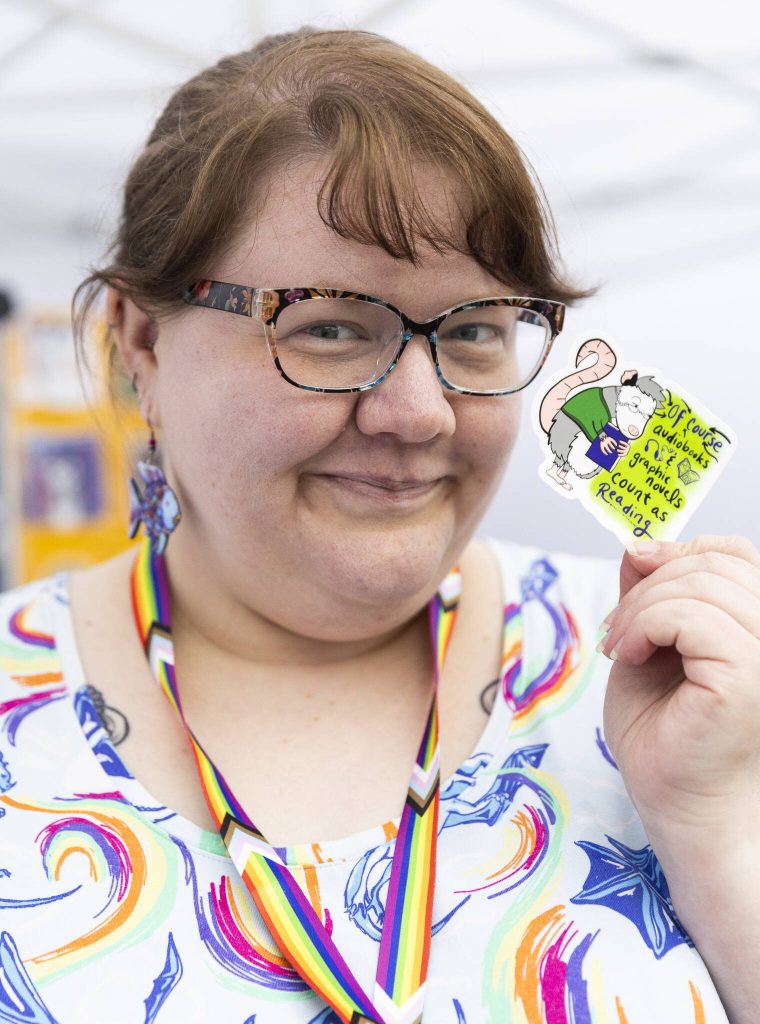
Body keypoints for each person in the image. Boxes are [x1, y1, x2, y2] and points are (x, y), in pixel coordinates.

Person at [0, 26, 757, 1024]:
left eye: (474, 329)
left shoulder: (683, 684)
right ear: (142, 341)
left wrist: (715, 822)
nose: (419, 411)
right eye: (328, 326)